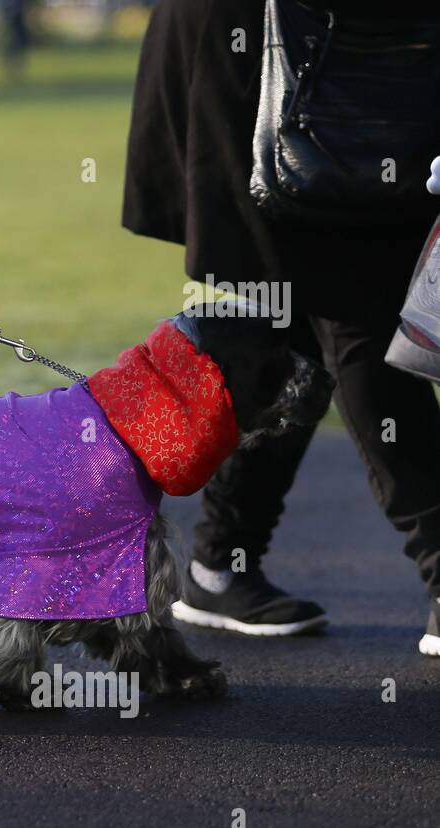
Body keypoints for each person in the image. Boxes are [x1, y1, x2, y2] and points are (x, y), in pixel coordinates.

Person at [123, 0, 440, 653]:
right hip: (278, 60)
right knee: (361, 322)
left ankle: (220, 559)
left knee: (295, 325)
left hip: (335, 59)